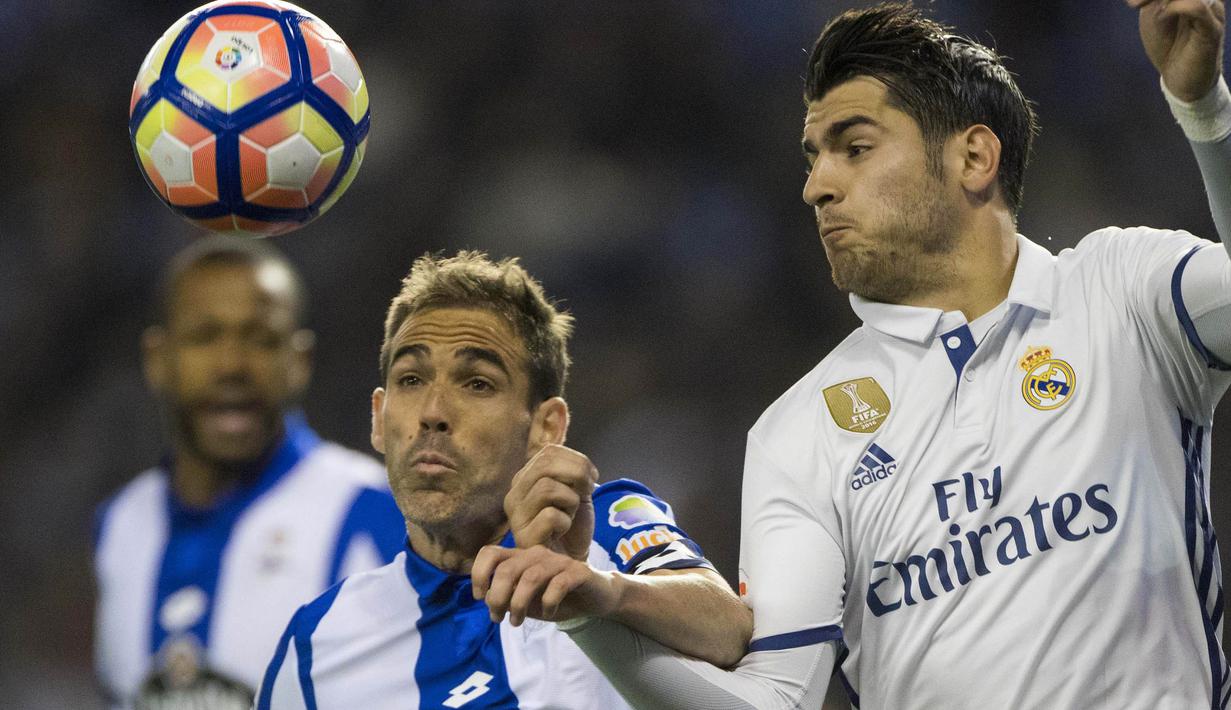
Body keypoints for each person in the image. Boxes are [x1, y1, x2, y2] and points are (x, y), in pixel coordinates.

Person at [473, 1, 1231, 707]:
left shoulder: (1123, 292)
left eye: (854, 147)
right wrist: (592, 610)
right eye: (812, 157)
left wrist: (1205, 113)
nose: (815, 186)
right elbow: (774, 696)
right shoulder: (799, 431)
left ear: (973, 158)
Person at [255, 251, 747, 708]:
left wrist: (603, 596)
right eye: (411, 379)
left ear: (545, 428)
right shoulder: (316, 646)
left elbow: (729, 627)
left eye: (477, 384)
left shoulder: (599, 532)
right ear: (380, 419)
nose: (433, 412)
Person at [93, 236, 406, 709]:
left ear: (299, 361)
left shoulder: (379, 513)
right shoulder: (118, 525)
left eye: (260, 339)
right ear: (158, 359)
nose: (232, 365)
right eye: (204, 336)